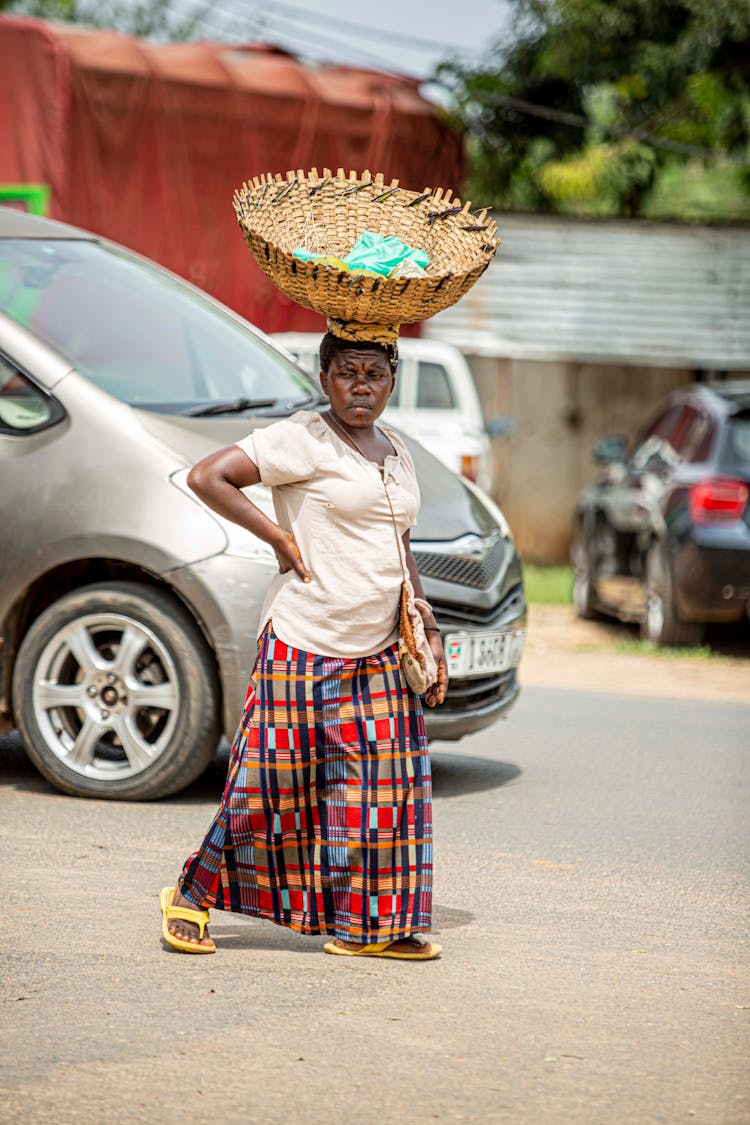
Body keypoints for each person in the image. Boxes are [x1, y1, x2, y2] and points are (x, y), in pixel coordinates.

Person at [159, 332, 448, 960]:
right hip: (304, 639)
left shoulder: (395, 450)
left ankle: (370, 928)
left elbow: (399, 545)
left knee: (381, 791)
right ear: (324, 376)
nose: (362, 385)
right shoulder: (301, 438)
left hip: (377, 654)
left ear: (392, 379)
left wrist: (426, 623)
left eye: (375, 373)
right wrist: (276, 538)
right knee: (267, 784)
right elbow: (208, 476)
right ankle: (190, 895)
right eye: (348, 372)